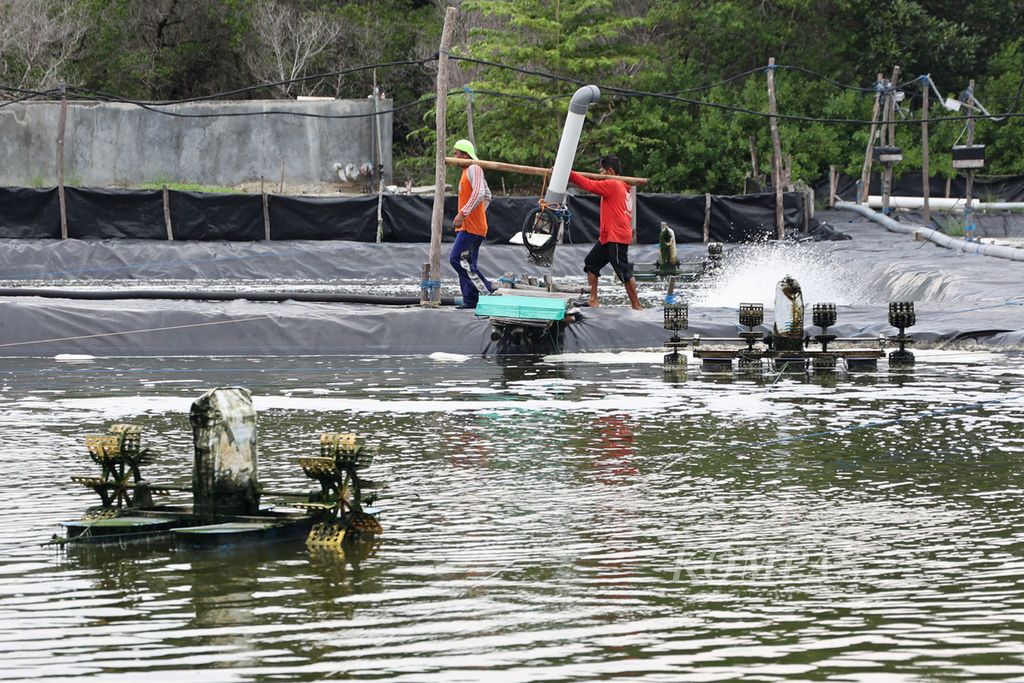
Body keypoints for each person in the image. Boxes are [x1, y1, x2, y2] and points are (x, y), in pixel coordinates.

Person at [568, 154, 643, 310]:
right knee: (591, 264)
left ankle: (636, 305)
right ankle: (593, 300)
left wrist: (569, 174)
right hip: (608, 237)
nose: (600, 174)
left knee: (623, 271)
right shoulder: (620, 187)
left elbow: (590, 185)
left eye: (602, 171)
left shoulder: (614, 184)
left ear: (610, 171)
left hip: (616, 237)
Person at [449, 138, 493, 309]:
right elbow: (488, 195)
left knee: (457, 260)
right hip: (469, 226)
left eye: (456, 153)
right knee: (466, 262)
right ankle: (470, 300)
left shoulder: (474, 168)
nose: (455, 156)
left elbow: (481, 193)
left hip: (472, 228)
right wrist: (476, 213)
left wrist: (463, 213)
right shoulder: (467, 171)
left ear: (465, 154)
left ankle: (486, 288)